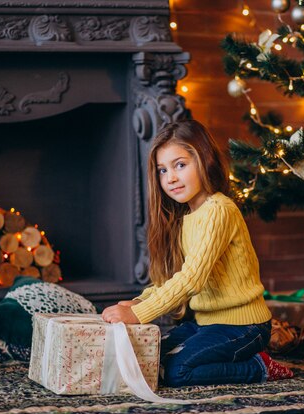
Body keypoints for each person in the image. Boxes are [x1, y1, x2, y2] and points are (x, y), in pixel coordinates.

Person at [102, 119, 293, 387]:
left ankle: (259, 366)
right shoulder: (186, 217)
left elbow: (192, 278)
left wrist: (139, 314)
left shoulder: (219, 210)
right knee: (150, 357)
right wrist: (138, 301)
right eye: (162, 170)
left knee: (177, 372)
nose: (171, 178)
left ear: (203, 159)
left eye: (180, 165)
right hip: (206, 323)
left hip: (244, 327)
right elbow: (175, 276)